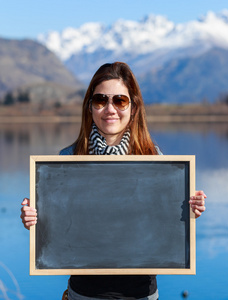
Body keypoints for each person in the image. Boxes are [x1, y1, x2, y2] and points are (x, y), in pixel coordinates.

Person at [21, 62, 206, 300]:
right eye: (100, 100)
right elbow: (54, 229)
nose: (110, 109)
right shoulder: (66, 160)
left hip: (141, 294)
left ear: (133, 107)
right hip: (83, 294)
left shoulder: (155, 160)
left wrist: (189, 211)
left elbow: (166, 226)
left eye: (119, 100)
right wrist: (35, 220)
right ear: (90, 107)